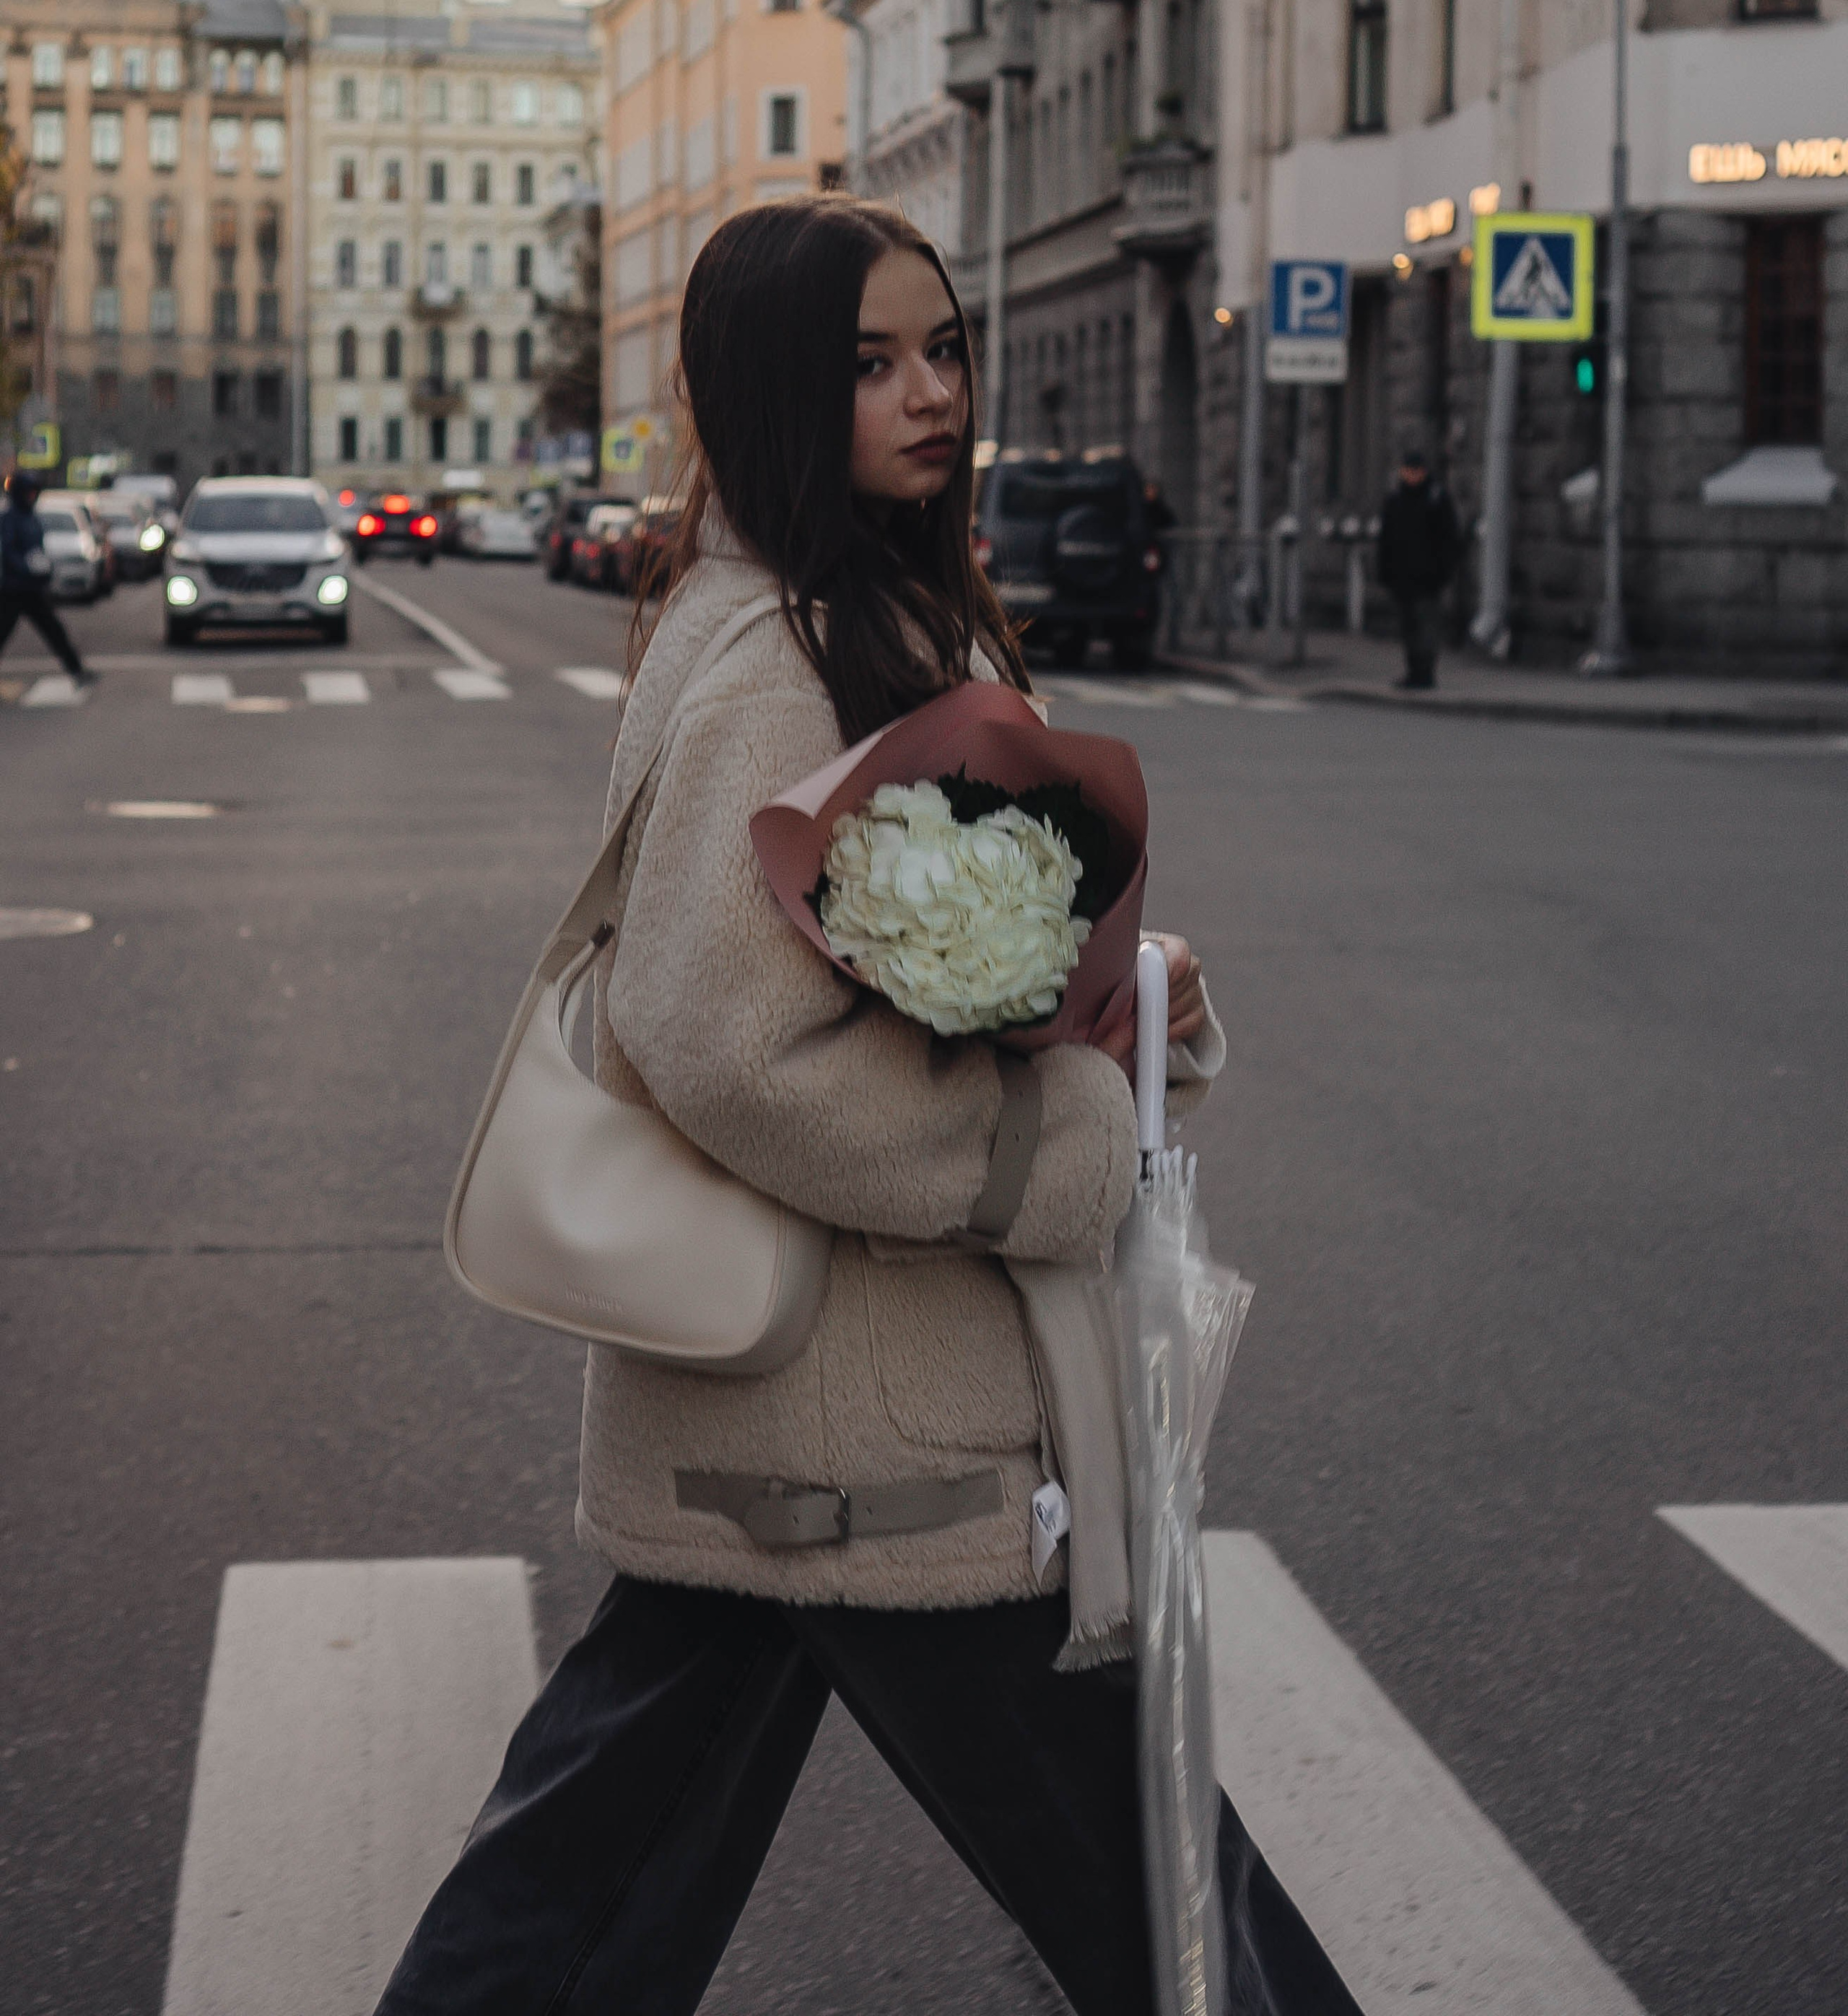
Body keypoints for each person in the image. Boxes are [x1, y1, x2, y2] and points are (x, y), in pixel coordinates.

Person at [376, 198, 1362, 2016]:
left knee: (593, 1868)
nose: (926, 392)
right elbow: (725, 1037)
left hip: (806, 1413)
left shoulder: (839, 609)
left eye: (941, 347)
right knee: (1159, 1883)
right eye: (864, 363)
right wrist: (1046, 1150)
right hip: (878, 1422)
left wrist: (1121, 989)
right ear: (764, 387)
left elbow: (880, 966)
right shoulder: (784, 651)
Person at [1377, 447, 1460, 691]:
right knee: (1409, 627)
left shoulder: (1435, 499)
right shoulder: (1396, 501)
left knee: (1425, 626)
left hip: (1428, 579)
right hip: (1402, 577)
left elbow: (1448, 539)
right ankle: (1413, 671)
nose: (1412, 476)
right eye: (1408, 472)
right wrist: (1386, 573)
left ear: (1423, 473)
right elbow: (1387, 541)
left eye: (1416, 472)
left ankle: (1425, 674)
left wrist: (1443, 573)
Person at [0, 471, 90, 684]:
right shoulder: (10, 519)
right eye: (28, 493)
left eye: (34, 493)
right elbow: (8, 551)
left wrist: (43, 569)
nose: (32, 497)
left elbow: (38, 550)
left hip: (33, 589)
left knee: (54, 631)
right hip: (13, 589)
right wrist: (25, 568)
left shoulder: (31, 518)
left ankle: (76, 670)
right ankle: (76, 670)